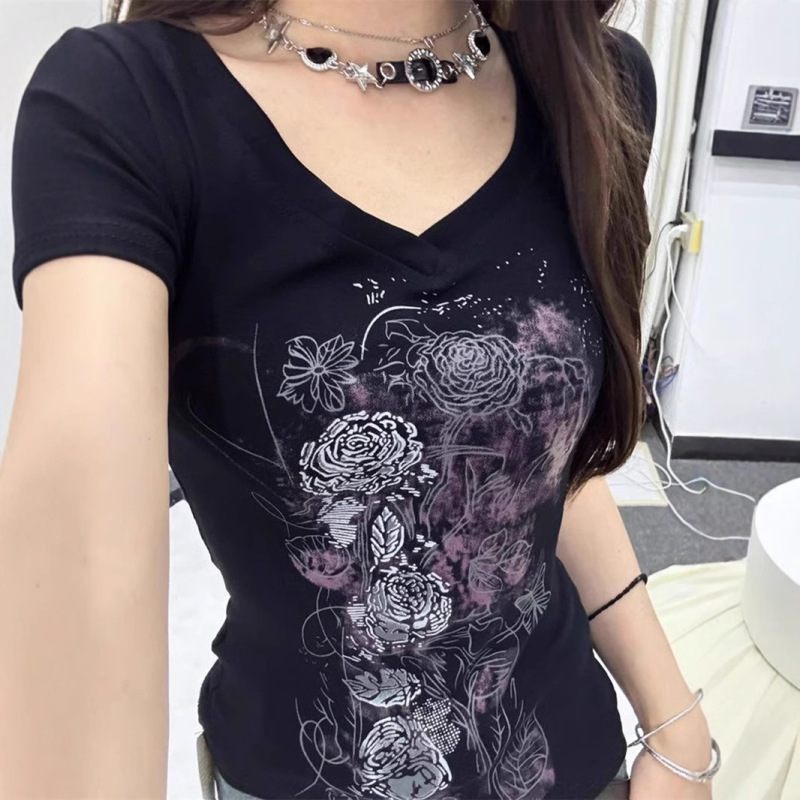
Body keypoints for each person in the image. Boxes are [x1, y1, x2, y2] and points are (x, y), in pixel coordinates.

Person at [0, 1, 720, 798]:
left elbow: (542, 465)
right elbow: (78, 580)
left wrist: (674, 719)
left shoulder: (592, 83)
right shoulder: (128, 106)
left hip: (569, 760)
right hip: (301, 767)